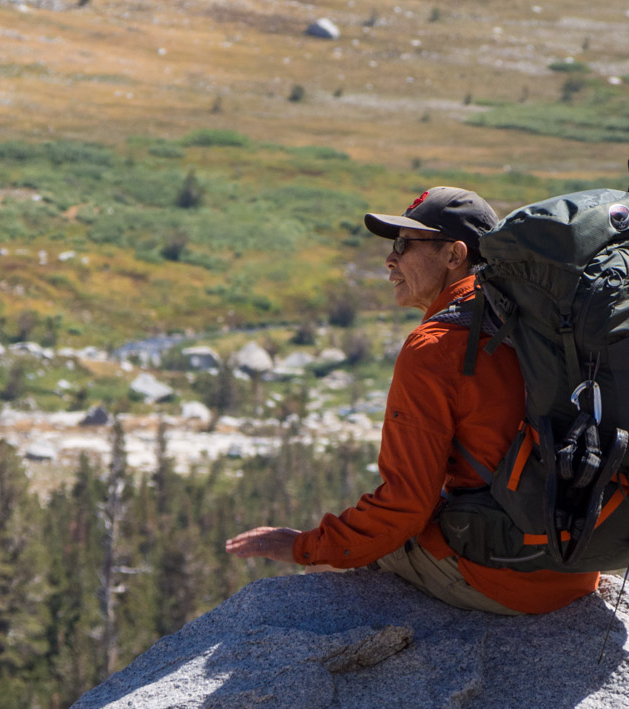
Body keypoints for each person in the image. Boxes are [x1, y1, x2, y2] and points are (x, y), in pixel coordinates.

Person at [224, 187, 599, 615]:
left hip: (508, 579)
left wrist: (305, 547)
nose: (390, 259)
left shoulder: (436, 347)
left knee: (331, 570)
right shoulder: (532, 321)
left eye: (404, 245)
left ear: (455, 255)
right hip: (577, 564)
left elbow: (405, 507)